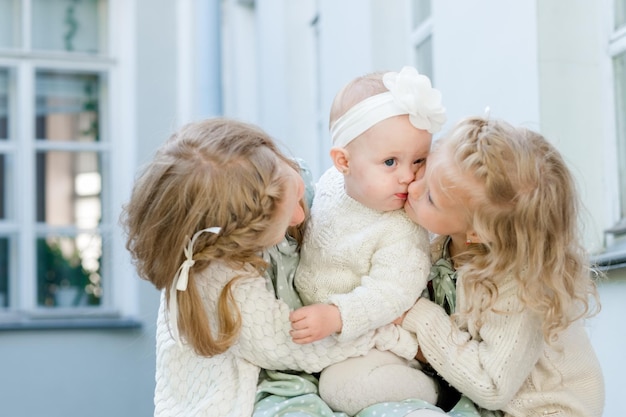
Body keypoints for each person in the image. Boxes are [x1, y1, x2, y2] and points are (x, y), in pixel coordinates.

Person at [121, 118, 413, 417]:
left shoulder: (280, 181)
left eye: (297, 194)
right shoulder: (218, 278)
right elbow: (284, 344)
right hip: (249, 382)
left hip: (296, 362)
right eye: (286, 218)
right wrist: (384, 333)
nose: (300, 217)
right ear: (238, 244)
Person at [401, 116, 605, 416]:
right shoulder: (444, 242)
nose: (413, 187)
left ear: (477, 233)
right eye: (424, 167)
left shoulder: (519, 289)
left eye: (430, 197)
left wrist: (417, 316)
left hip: (546, 410)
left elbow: (491, 386)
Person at [289, 66, 447, 415]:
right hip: (322, 324)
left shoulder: (402, 226)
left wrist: (337, 316)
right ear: (344, 162)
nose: (407, 176)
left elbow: (391, 294)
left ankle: (433, 388)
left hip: (375, 338)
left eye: (419, 160)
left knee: (341, 389)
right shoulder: (331, 185)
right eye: (390, 162)